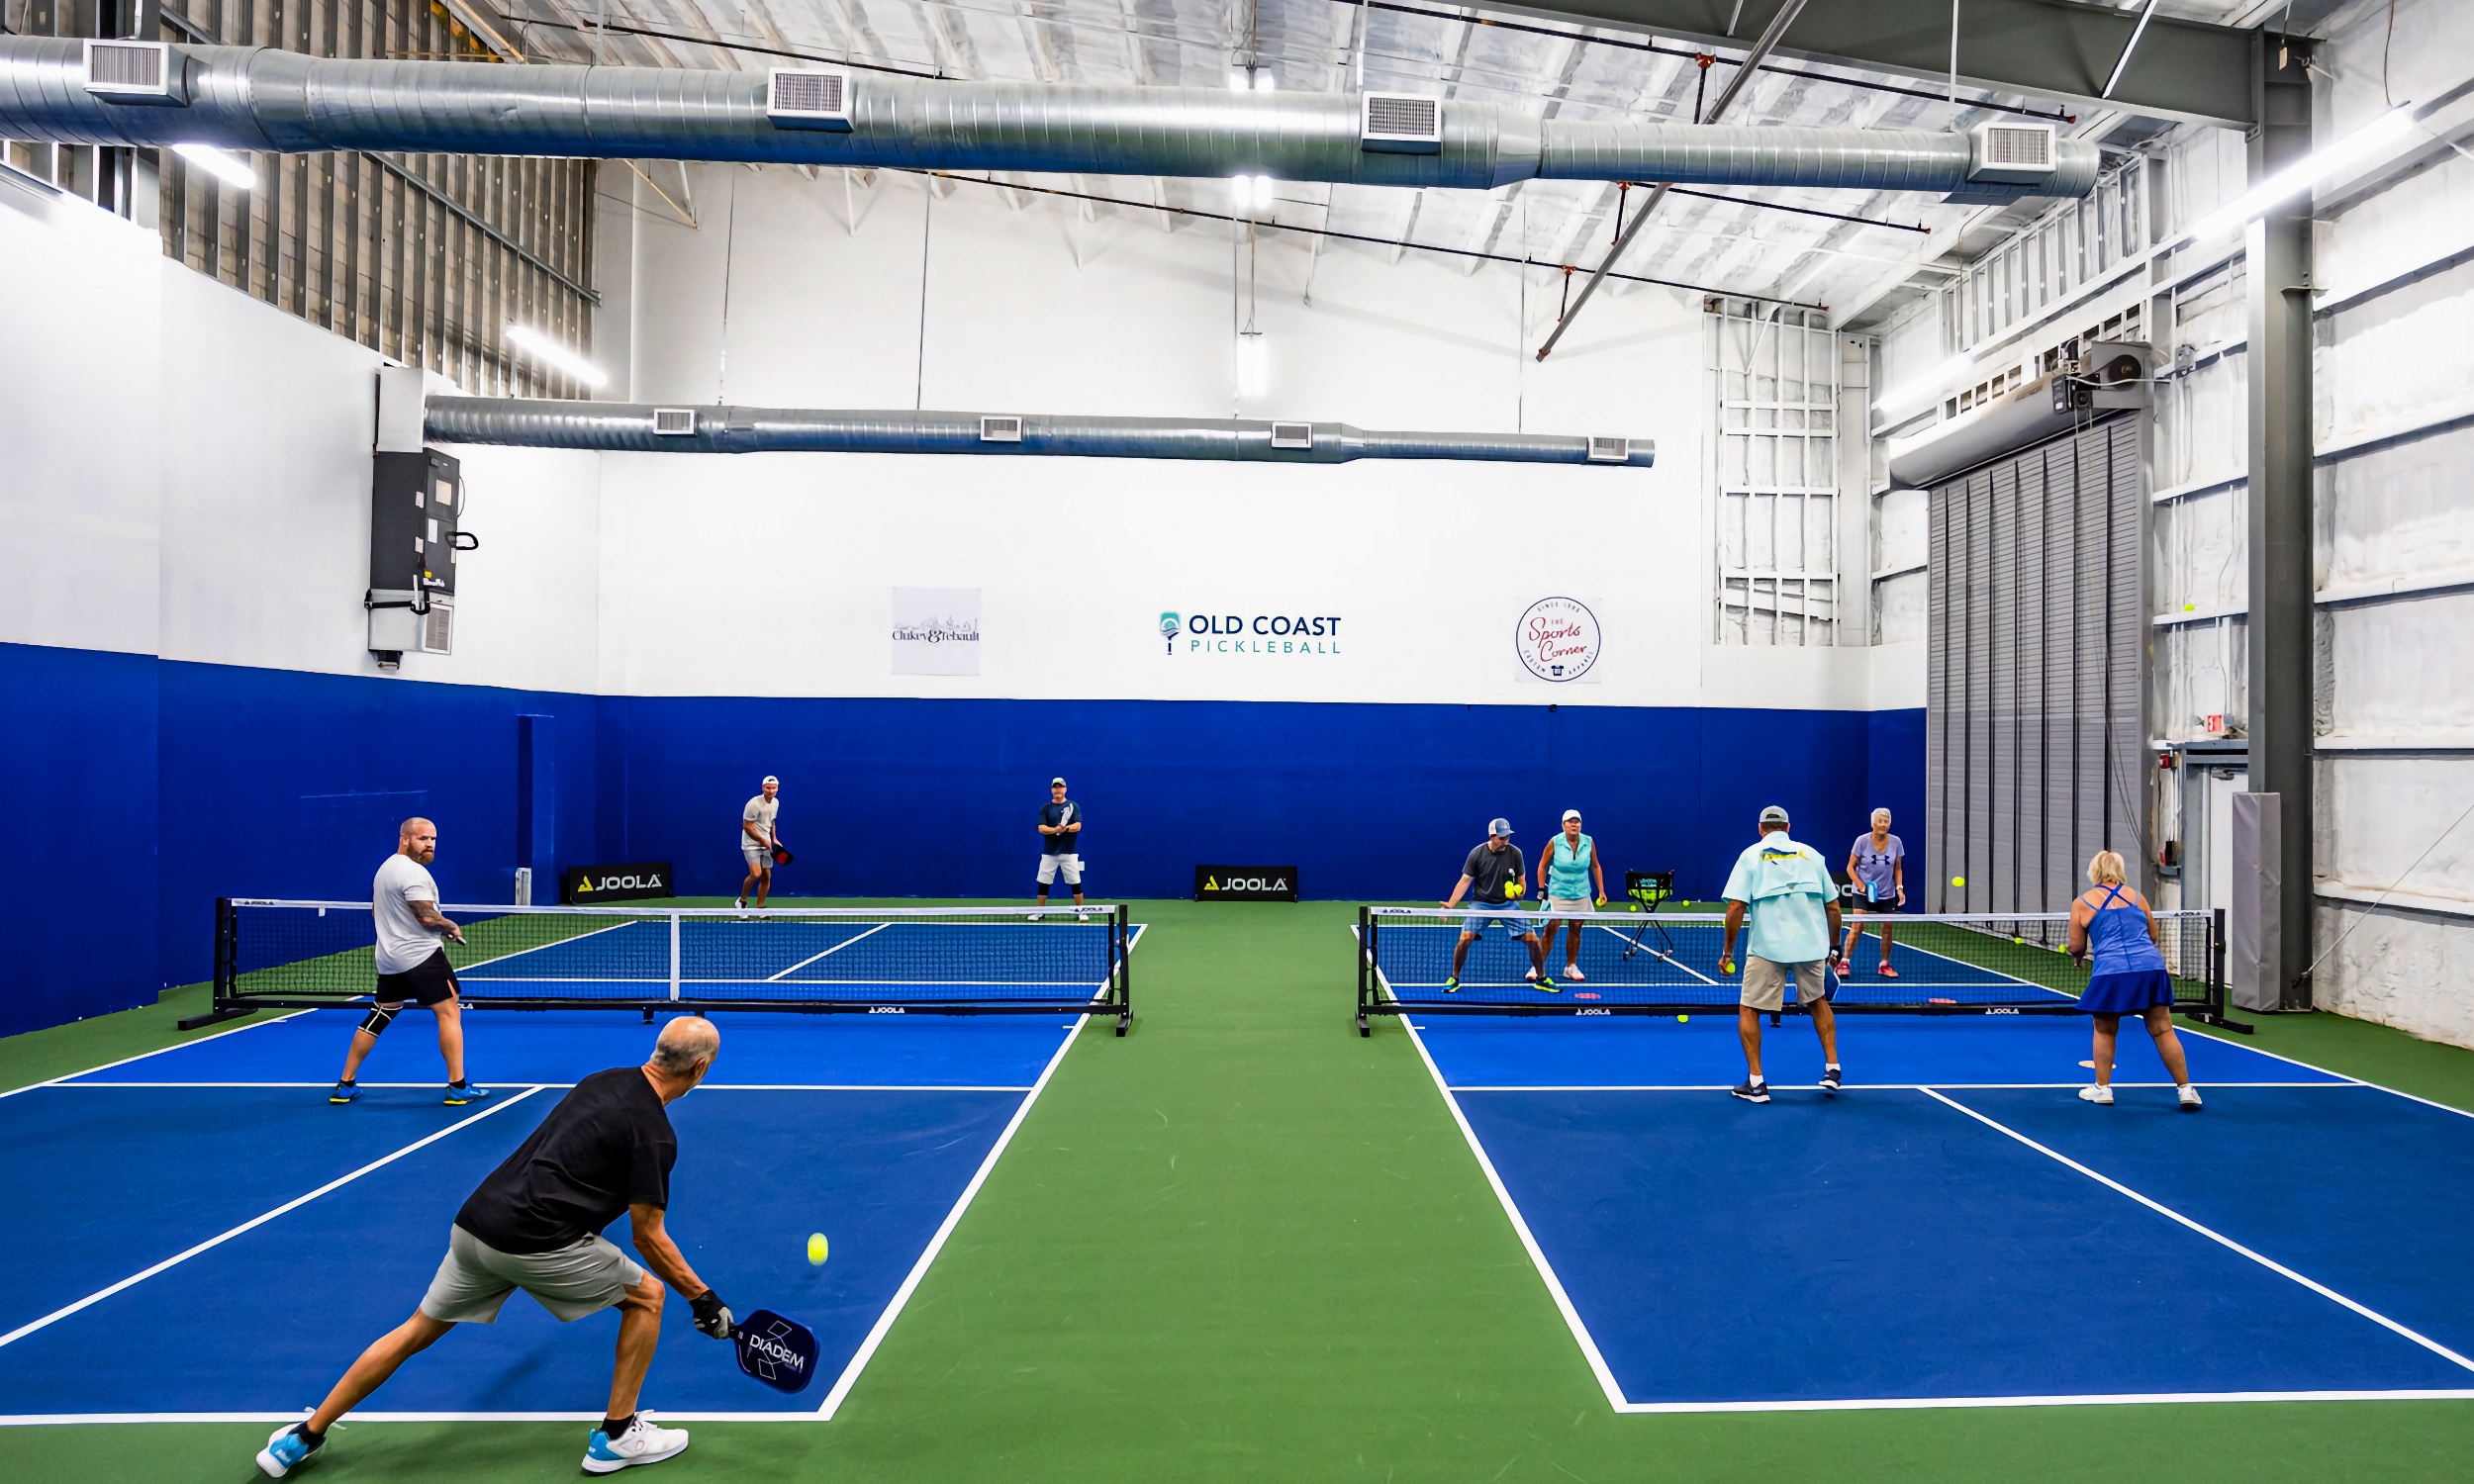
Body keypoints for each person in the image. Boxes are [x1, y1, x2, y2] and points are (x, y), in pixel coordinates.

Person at [258, 1017, 735, 1478]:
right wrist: (703, 1299)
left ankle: (300, 1438)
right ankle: (616, 1438)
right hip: (536, 1240)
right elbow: (647, 1235)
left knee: (415, 1330)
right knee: (647, 1297)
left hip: (478, 1225)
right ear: (700, 1069)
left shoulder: (601, 1080)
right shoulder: (654, 1135)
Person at [331, 818, 485, 1107]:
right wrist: (449, 926)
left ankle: (346, 1084)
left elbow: (378, 909)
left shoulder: (385, 869)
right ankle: (458, 1086)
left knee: (380, 1014)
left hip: (390, 959)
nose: (429, 844)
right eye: (422, 839)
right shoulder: (412, 873)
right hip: (422, 957)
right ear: (405, 839)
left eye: (433, 839)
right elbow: (426, 916)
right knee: (450, 1012)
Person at [1717, 805, 1845, 1102]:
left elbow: (1735, 907)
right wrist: (1835, 947)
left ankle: (1757, 1083)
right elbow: (1834, 907)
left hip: (1767, 947)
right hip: (1810, 946)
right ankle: (1833, 1068)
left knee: (1749, 1008)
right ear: (1788, 827)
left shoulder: (1750, 856)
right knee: (1818, 1001)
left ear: (1761, 829)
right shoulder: (1813, 856)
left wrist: (1728, 952)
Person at [2068, 851, 2202, 1110]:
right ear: (2120, 869)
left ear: (2094, 871)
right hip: (2150, 969)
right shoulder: (2137, 898)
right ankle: (2186, 1090)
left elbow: (2076, 944)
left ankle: (2103, 1089)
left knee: (2105, 1029)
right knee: (2163, 1029)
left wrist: (2078, 957)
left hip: (2111, 971)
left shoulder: (2082, 902)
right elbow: (2152, 935)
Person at [1441, 817, 1548, 991]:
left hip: (1507, 905)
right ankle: (1454, 978)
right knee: (1464, 939)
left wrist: (1520, 893)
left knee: (1533, 940)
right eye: (1502, 837)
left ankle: (1542, 978)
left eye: (1507, 837)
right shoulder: (1477, 853)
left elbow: (1522, 881)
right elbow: (1465, 881)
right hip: (1481, 904)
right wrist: (1450, 905)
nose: (1506, 841)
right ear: (1492, 836)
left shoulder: (1515, 853)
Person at [1536, 808, 1608, 982]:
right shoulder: (1555, 842)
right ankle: (1537, 966)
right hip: (1558, 891)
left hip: (1581, 892)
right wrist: (1541, 889)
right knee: (1550, 928)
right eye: (1570, 821)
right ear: (1563, 825)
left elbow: (1595, 866)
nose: (1574, 824)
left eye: (1577, 821)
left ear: (1580, 825)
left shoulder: (1589, 842)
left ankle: (1570, 966)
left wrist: (1601, 891)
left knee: (1576, 928)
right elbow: (1542, 866)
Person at [1840, 807, 1907, 975]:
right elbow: (1849, 867)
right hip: (1863, 892)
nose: (1883, 824)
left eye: (1886, 821)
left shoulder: (1896, 842)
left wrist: (1899, 888)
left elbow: (1898, 869)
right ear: (1873, 823)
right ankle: (1844, 962)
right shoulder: (1862, 841)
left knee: (1887, 928)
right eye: (1880, 821)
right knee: (1858, 924)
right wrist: (1860, 885)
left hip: (1886, 893)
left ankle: (1884, 964)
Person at [1031, 776, 1087, 922]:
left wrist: (1065, 828)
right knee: (1044, 883)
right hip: (1049, 853)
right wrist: (1055, 829)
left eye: (1060, 787)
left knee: (1075, 883)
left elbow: (1078, 826)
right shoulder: (1045, 808)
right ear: (1051, 790)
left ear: (1065, 789)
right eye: (1055, 787)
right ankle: (1039, 912)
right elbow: (1041, 828)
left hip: (1069, 853)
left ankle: (1080, 912)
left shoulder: (1073, 806)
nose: (1058, 789)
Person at [737, 775, 785, 910]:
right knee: (756, 873)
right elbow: (747, 826)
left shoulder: (776, 802)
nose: (771, 790)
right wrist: (763, 840)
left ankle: (760, 907)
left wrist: (774, 839)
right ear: (763, 788)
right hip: (751, 844)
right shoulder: (753, 804)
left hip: (767, 844)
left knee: (766, 876)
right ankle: (742, 900)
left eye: (773, 788)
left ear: (777, 789)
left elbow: (771, 821)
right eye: (768, 788)